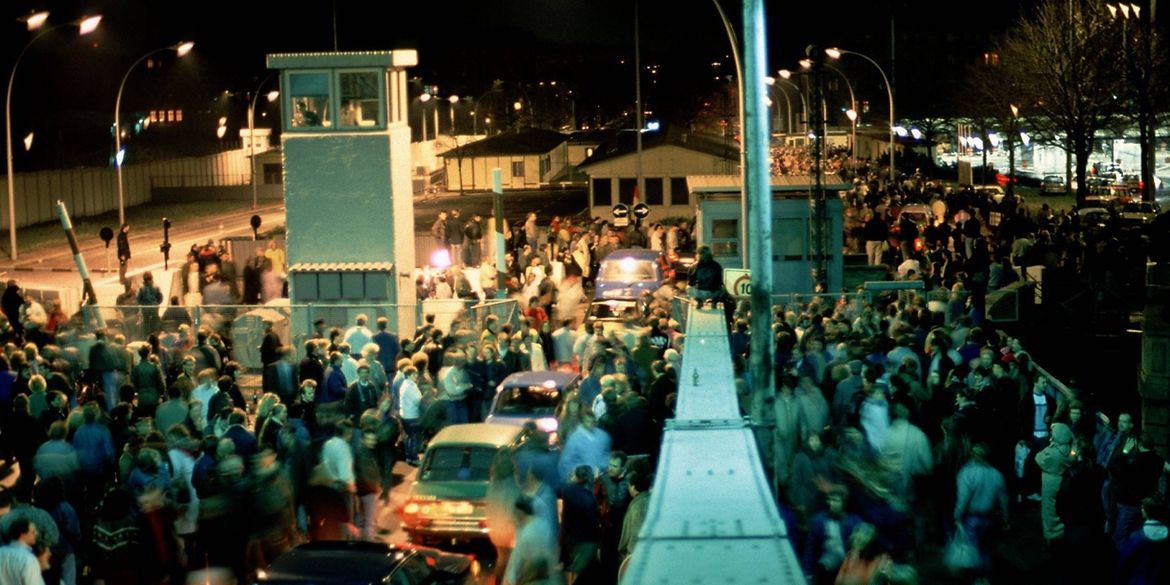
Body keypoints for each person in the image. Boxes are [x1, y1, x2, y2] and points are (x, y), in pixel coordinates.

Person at [0, 517, 45, 585]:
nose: (36, 533)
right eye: (33, 531)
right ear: (22, 534)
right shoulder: (29, 559)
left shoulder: (1, 551)